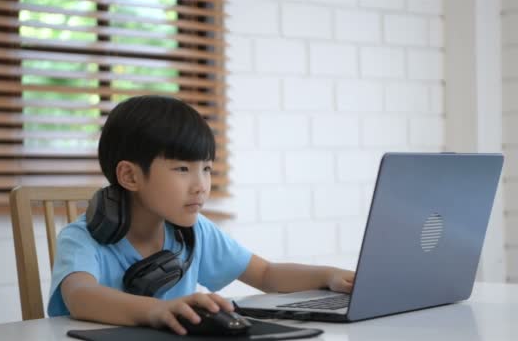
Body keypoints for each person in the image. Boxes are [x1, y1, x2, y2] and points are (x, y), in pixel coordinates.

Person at [47, 95, 355, 335]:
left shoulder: (193, 232)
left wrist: (327, 275)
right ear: (130, 176)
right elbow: (81, 296)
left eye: (206, 169)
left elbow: (265, 274)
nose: (201, 186)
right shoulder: (81, 238)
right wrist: (157, 310)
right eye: (182, 169)